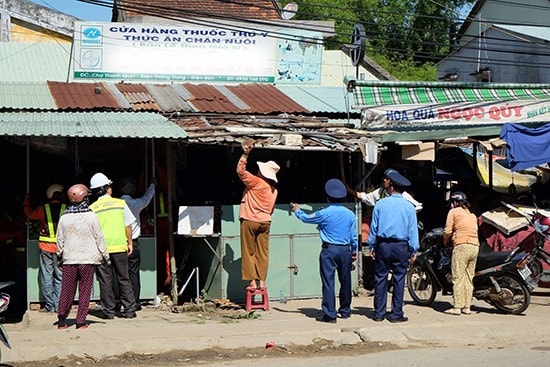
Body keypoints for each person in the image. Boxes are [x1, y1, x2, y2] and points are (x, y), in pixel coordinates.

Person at [290, 178, 358, 323]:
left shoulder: (323, 213)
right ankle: (345, 311)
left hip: (329, 250)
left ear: (327, 197)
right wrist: (354, 252)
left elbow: (307, 218)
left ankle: (330, 314)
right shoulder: (350, 214)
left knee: (328, 282)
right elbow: (353, 236)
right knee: (345, 281)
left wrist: (297, 211)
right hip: (345, 250)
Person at [367, 169, 419, 323]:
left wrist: (371, 246)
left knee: (380, 278)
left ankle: (379, 313)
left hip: (383, 245)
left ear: (390, 187)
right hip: (401, 247)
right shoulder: (409, 207)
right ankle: (396, 314)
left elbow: (373, 228)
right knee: (399, 279)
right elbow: (412, 230)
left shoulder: (380, 204)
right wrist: (414, 249)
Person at [56, 184, 110, 330]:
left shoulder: (64, 217)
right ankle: (80, 322)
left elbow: (59, 239)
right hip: (87, 260)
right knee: (85, 291)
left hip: (69, 260)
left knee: (66, 290)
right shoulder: (91, 216)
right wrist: (106, 257)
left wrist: (59, 255)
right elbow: (99, 238)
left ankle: (62, 319)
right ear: (84, 198)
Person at [89, 172, 137, 319]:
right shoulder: (120, 204)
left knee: (105, 281)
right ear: (106, 188)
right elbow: (128, 225)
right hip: (119, 247)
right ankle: (129, 310)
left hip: (101, 250)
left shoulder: (92, 208)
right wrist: (130, 243)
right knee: (124, 278)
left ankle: (108, 312)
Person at [237, 139, 280, 291]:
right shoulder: (274, 190)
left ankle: (252, 283)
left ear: (262, 172)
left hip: (249, 220)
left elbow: (240, 171)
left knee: (248, 251)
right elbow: (271, 210)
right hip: (265, 222)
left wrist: (245, 154)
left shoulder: (256, 182)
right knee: (263, 253)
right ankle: (262, 281)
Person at [23, 183, 65, 313]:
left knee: (47, 276)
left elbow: (29, 214)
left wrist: (26, 201)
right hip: (60, 248)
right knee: (59, 277)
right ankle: (58, 306)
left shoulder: (43, 209)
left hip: (45, 247)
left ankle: (49, 306)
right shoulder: (66, 208)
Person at [118, 176, 156, 310]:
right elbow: (147, 199)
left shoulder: (116, 205)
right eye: (131, 186)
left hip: (117, 244)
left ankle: (119, 301)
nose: (134, 188)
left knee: (120, 274)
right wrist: (152, 185)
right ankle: (135, 302)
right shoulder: (135, 203)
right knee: (133, 274)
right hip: (133, 242)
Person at [442, 191, 479, 316]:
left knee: (458, 277)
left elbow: (447, 230)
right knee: (469, 278)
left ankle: (457, 307)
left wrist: (445, 242)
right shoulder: (472, 215)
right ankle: (466, 306)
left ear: (455, 202)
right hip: (474, 246)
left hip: (462, 245)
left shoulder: (453, 212)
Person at [346, 168, 423, 213]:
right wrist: (348, 190)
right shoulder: (380, 191)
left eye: (387, 179)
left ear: (392, 181)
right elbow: (366, 197)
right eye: (384, 178)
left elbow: (418, 206)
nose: (384, 180)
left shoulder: (403, 195)